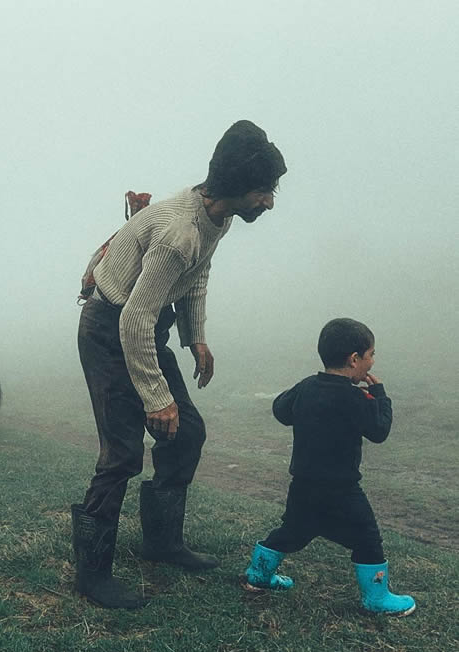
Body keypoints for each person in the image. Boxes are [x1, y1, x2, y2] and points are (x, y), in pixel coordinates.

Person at [72, 120, 287, 609]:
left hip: (148, 326)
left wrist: (196, 339)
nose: (269, 202)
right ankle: (92, 574)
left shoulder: (216, 217)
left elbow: (197, 275)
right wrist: (156, 397)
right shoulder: (178, 233)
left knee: (186, 432)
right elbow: (132, 320)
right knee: (122, 454)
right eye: (264, 191)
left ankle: (161, 543)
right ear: (236, 187)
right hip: (110, 330)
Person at [243, 318, 415, 616]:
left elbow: (281, 410)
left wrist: (305, 399)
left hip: (304, 484)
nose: (372, 362)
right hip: (341, 489)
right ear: (354, 359)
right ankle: (377, 598)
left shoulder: (308, 387)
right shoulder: (355, 397)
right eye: (371, 355)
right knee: (367, 537)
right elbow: (379, 431)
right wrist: (381, 397)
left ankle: (258, 576)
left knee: (293, 530)